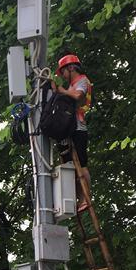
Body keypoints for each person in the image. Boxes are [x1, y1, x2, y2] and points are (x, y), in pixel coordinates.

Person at [50, 54, 92, 212]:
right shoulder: (72, 84)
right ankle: (78, 198)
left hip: (78, 127)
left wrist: (61, 90)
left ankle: (85, 197)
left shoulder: (82, 80)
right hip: (70, 127)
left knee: (81, 164)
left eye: (63, 72)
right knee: (70, 165)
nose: (63, 76)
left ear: (71, 67)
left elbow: (77, 96)